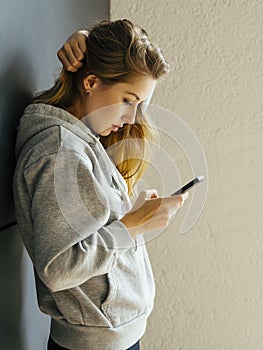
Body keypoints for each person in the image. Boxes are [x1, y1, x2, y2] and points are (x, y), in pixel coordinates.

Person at [12, 19, 188, 350]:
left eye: (141, 105)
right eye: (128, 99)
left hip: (112, 337)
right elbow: (60, 267)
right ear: (90, 82)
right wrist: (132, 225)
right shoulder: (60, 152)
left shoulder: (83, 138)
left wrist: (129, 214)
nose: (134, 117)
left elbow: (86, 227)